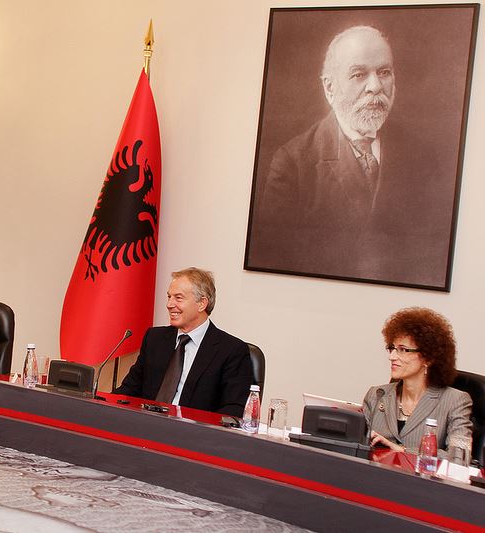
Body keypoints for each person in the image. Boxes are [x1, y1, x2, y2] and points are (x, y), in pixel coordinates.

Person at [248, 25, 451, 286]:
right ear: (330, 87)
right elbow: (273, 261)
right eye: (358, 74)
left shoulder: (424, 158)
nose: (375, 86)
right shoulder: (292, 163)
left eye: (384, 72)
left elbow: (433, 254)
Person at [114, 268, 254, 416]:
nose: (169, 304)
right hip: (146, 428)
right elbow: (129, 390)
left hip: (195, 435)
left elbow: (233, 411)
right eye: (169, 297)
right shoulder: (155, 338)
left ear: (202, 303)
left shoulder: (231, 350)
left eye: (178, 298)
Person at [363, 307, 472, 456]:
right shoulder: (376, 395)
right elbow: (356, 443)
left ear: (428, 357)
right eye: (392, 348)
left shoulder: (455, 401)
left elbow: (459, 456)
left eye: (403, 350)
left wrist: (403, 451)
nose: (392, 356)